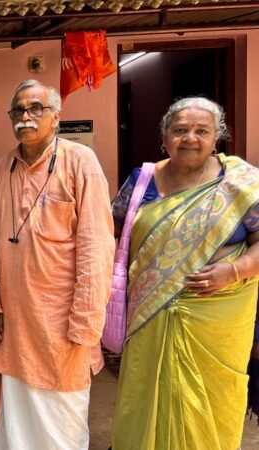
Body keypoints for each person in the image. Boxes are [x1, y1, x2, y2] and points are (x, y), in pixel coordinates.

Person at [110, 97, 259, 449]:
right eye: (179, 130)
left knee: (208, 404)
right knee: (146, 398)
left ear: (217, 136)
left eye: (201, 131)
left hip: (217, 319)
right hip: (150, 315)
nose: (189, 138)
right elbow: (113, 235)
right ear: (164, 137)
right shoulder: (141, 181)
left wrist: (234, 271)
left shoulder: (241, 183)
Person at [0, 80, 114, 450]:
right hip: (14, 324)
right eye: (18, 110)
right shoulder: (2, 168)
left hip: (63, 326)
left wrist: (86, 324)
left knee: (62, 428)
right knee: (16, 427)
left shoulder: (80, 162)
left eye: (35, 109)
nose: (25, 117)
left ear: (56, 116)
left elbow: (96, 245)